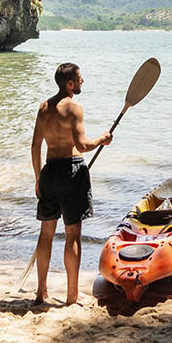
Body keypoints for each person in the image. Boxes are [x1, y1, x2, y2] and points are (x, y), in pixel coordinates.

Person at [31, 62, 112, 305]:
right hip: (71, 170)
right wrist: (102, 139)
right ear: (69, 83)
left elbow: (35, 146)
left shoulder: (43, 108)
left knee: (46, 234)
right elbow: (83, 145)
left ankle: (40, 292)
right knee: (72, 234)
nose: (82, 82)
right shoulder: (74, 108)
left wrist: (38, 178)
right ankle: (71, 297)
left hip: (48, 172)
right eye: (79, 79)